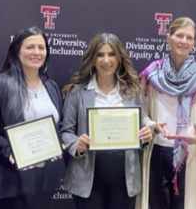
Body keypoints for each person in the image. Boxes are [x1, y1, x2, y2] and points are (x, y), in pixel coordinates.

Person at [0, 26, 64, 209]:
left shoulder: (51, 86)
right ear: (17, 51)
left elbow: (58, 125)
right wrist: (9, 151)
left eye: (41, 47)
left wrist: (58, 143)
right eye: (30, 47)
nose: (36, 52)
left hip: (45, 181)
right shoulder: (0, 84)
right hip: (12, 181)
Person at [60, 33, 152, 209]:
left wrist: (145, 135)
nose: (106, 60)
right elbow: (66, 131)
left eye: (111, 54)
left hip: (125, 177)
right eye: (100, 54)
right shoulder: (78, 92)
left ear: (119, 58)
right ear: (92, 59)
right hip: (88, 176)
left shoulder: (132, 92)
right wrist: (76, 144)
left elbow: (141, 126)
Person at [138, 17, 196, 209]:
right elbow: (141, 116)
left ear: (194, 43)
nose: (184, 41)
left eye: (189, 37)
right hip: (157, 152)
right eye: (179, 35)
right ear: (168, 38)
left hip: (189, 157)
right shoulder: (152, 75)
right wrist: (153, 126)